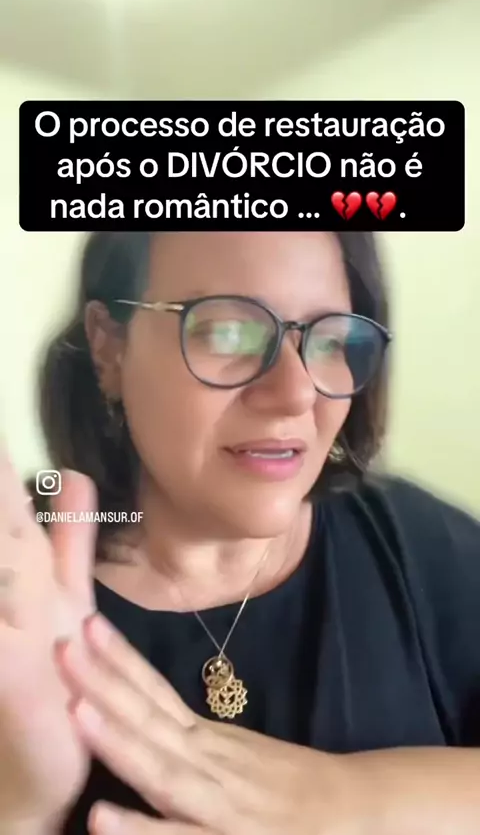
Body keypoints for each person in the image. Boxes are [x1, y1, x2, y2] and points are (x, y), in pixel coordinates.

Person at [2, 230, 480, 835]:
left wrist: (351, 800)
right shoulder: (22, 602)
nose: (296, 393)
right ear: (109, 347)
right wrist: (22, 807)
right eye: (229, 332)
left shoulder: (416, 543)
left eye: (331, 339)